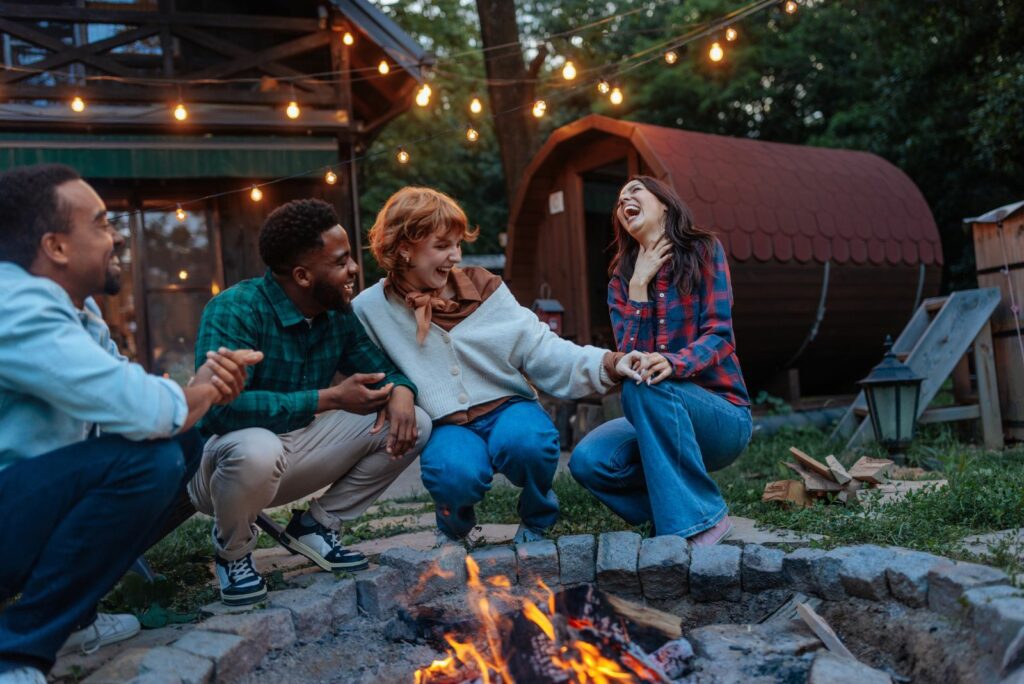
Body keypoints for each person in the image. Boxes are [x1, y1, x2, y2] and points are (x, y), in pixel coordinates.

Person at [0, 164, 259, 684]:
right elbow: (144, 410)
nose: (116, 235)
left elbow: (135, 398)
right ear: (55, 246)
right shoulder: (16, 304)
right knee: (148, 460)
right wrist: (205, 390)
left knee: (181, 440)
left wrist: (200, 386)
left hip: (21, 501)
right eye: (100, 224)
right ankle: (17, 653)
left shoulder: (75, 307)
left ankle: (72, 617)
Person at [352, 187, 643, 547]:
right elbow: (363, 367)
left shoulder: (485, 288)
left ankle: (537, 517)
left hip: (507, 406)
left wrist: (609, 362)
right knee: (451, 474)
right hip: (446, 423)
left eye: (458, 245)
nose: (454, 256)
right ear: (404, 248)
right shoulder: (369, 309)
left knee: (531, 443)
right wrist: (395, 393)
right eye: (442, 246)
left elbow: (540, 346)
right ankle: (455, 526)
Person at [188, 198, 432, 606]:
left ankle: (316, 526)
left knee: (415, 423)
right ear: (302, 275)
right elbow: (218, 410)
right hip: (221, 467)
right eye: (341, 262)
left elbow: (384, 371)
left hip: (299, 448)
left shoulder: (337, 316)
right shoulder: (236, 309)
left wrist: (402, 390)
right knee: (257, 448)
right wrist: (328, 398)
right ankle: (233, 553)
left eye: (350, 257)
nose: (354, 270)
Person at [569, 176, 752, 546]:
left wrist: (674, 362)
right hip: (655, 413)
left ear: (664, 204)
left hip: (721, 415)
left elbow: (719, 335)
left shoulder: (704, 250)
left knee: (647, 388)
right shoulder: (622, 282)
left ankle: (701, 523)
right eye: (619, 201)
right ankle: (685, 516)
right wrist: (639, 286)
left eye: (635, 191)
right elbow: (631, 359)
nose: (624, 201)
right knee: (588, 460)